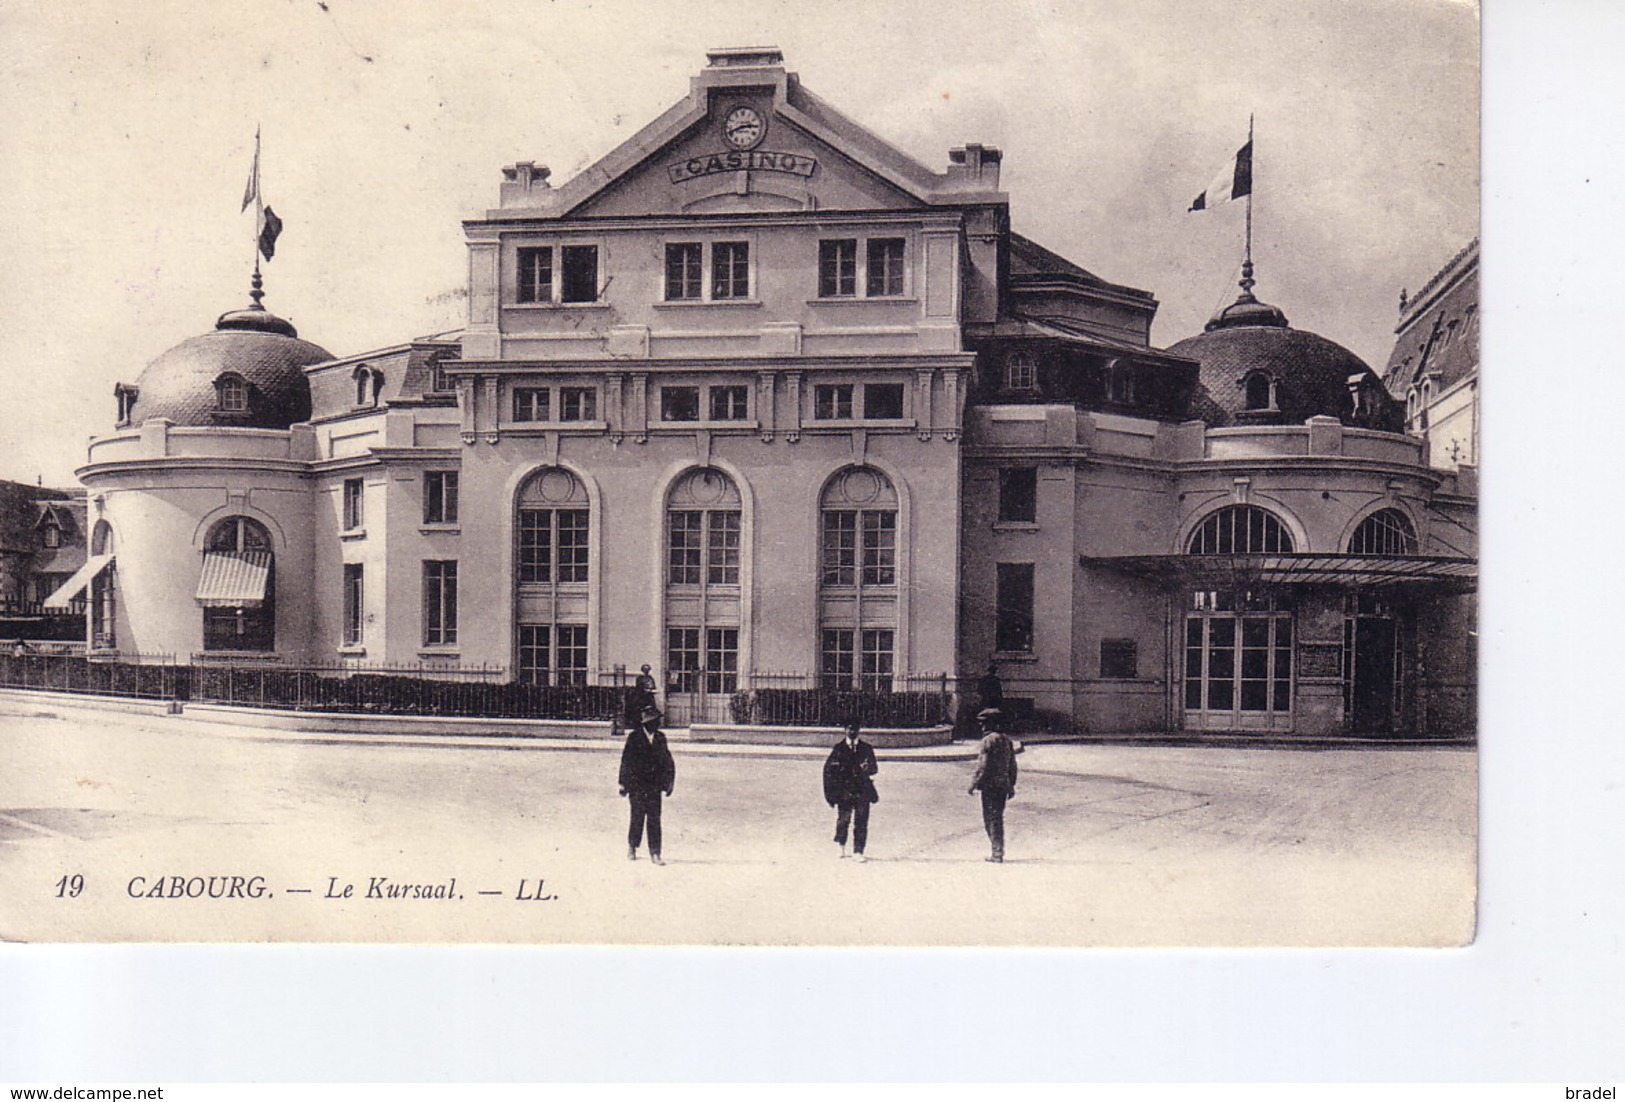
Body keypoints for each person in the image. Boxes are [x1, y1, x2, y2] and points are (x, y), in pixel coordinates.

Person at [619, 705, 675, 865]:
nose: (656, 724)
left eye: (657, 721)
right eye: (654, 721)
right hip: (637, 785)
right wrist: (623, 784)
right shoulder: (634, 738)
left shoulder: (661, 738)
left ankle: (655, 853)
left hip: (654, 787)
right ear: (646, 723)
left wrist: (669, 783)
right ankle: (632, 846)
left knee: (654, 818)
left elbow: (668, 762)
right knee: (637, 817)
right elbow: (626, 762)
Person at [822, 722, 879, 861]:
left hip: (862, 790)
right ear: (845, 730)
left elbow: (874, 768)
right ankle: (841, 844)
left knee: (861, 821)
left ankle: (858, 851)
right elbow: (828, 771)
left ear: (858, 730)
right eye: (849, 728)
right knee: (844, 819)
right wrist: (831, 793)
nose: (852, 731)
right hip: (845, 791)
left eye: (855, 728)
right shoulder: (839, 749)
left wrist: (868, 768)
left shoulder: (866, 748)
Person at [968, 707, 1018, 862]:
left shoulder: (987, 741)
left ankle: (997, 852)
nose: (982, 727)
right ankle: (998, 851)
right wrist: (1011, 785)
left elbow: (982, 766)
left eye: (984, 724)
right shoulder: (1006, 740)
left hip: (990, 786)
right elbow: (1012, 766)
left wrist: (973, 784)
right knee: (997, 817)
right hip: (1003, 785)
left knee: (990, 818)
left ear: (990, 725)